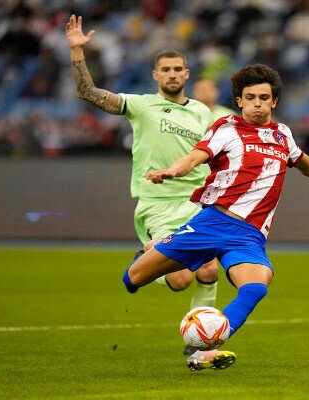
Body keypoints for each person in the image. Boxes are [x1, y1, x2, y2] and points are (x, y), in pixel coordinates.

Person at [123, 63, 309, 371]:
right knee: (134, 278)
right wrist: (171, 171)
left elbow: (307, 164)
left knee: (257, 286)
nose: (257, 103)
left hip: (248, 236)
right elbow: (195, 157)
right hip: (212, 223)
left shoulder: (283, 135)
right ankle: (150, 248)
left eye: (263, 97)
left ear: (274, 102)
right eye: (250, 97)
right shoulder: (226, 129)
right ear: (239, 100)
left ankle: (206, 346)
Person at [65, 14, 219, 354]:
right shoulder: (141, 105)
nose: (173, 74)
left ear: (187, 73)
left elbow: (212, 156)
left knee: (208, 269)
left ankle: (201, 345)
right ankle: (145, 259)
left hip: (196, 203)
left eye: (178, 69)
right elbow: (87, 92)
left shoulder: (202, 113)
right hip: (157, 203)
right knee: (180, 281)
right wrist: (77, 52)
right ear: (156, 75)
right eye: (166, 70)